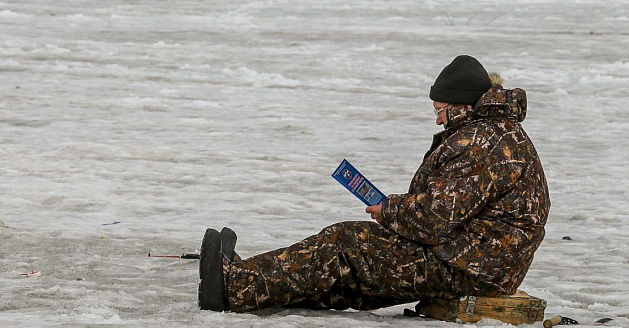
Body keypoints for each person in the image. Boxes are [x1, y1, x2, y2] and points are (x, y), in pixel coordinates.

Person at [197, 55, 550, 313]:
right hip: (480, 261)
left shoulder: (480, 144)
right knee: (350, 278)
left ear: (463, 105)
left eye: (440, 110)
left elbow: (434, 219)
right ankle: (251, 282)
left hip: (469, 268)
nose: (438, 118)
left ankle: (234, 287)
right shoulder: (495, 133)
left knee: (345, 242)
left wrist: (390, 209)